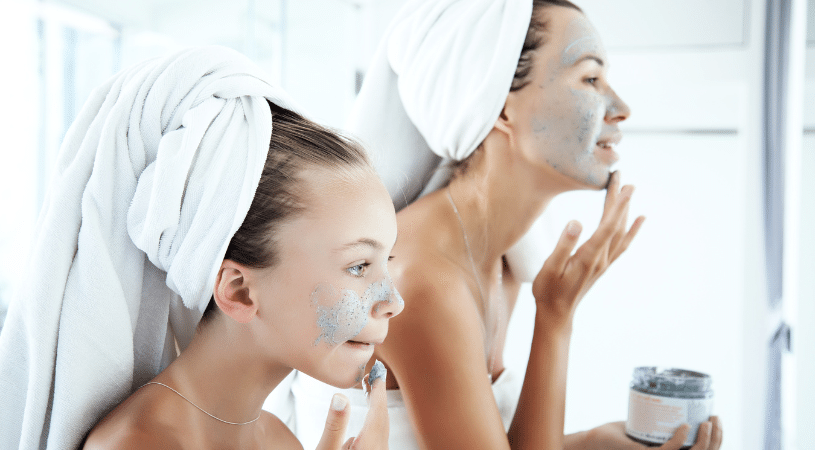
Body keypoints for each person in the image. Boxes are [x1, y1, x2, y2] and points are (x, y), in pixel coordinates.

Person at [282, 1, 724, 449]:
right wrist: (555, 318)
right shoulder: (422, 278)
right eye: (591, 78)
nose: (621, 108)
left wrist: (594, 442)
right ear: (501, 107)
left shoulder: (503, 259)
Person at [0, 46, 398, 450]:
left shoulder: (280, 439)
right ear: (238, 290)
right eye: (359, 266)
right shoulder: (137, 445)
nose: (393, 301)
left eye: (388, 261)